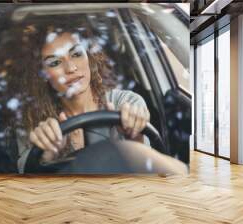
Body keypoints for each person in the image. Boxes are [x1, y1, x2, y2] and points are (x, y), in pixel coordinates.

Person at [14, 19, 185, 174]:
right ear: (42, 76)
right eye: (55, 62)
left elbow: (147, 169)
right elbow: (26, 177)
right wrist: (46, 154)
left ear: (89, 56)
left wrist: (134, 136)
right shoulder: (32, 121)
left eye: (76, 54)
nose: (71, 68)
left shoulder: (125, 102)